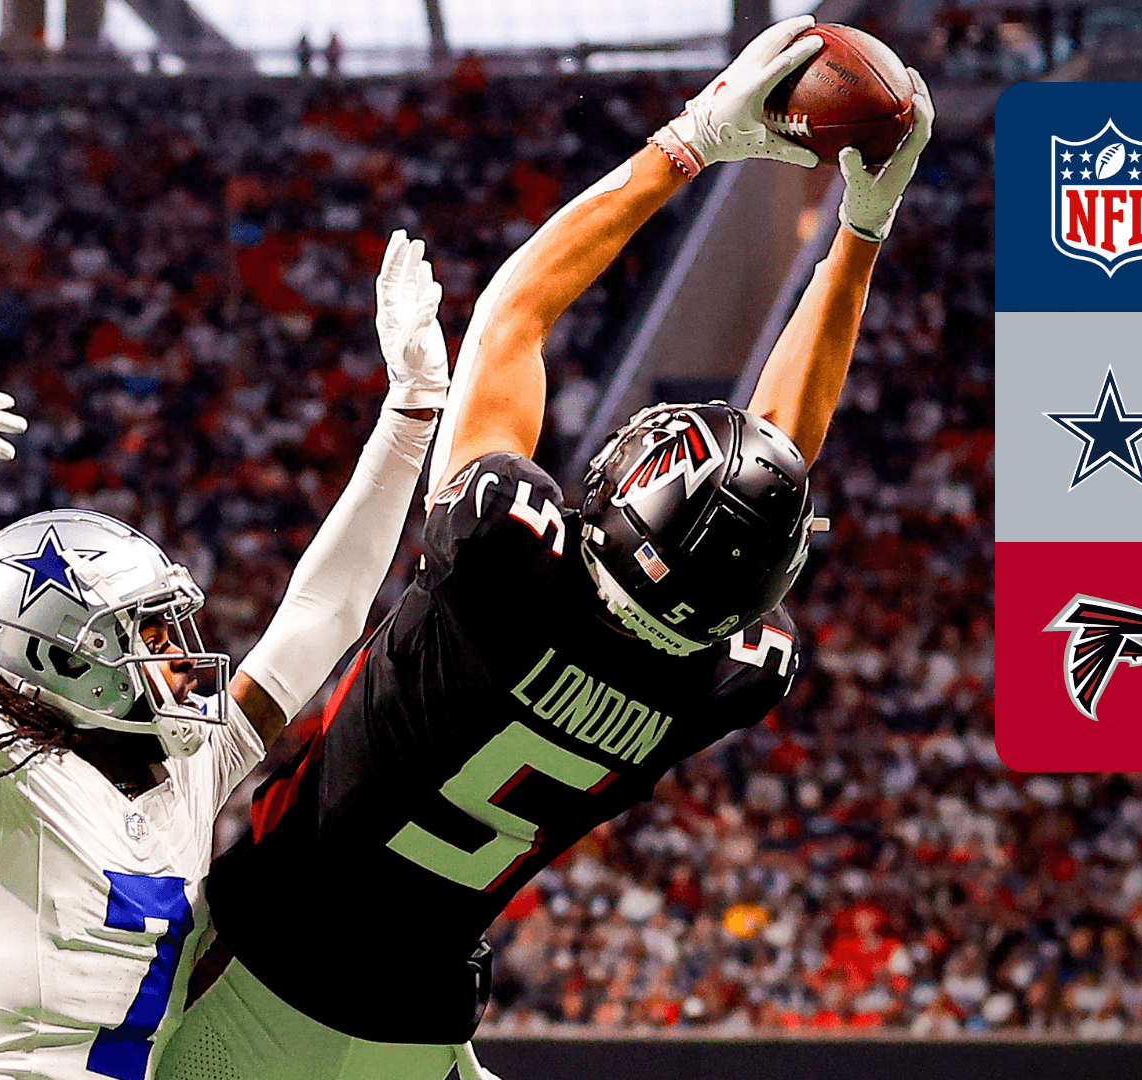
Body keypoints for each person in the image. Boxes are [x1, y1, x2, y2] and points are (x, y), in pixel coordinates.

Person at [157, 16, 934, 1080]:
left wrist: (691, 140)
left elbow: (514, 316)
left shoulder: (506, 553)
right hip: (417, 1033)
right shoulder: (727, 673)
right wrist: (862, 231)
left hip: (257, 980)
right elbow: (778, 466)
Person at [0, 233, 450, 1080]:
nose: (182, 656)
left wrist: (411, 413)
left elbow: (322, 614)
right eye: (151, 634)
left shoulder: (187, 766)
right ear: (63, 660)